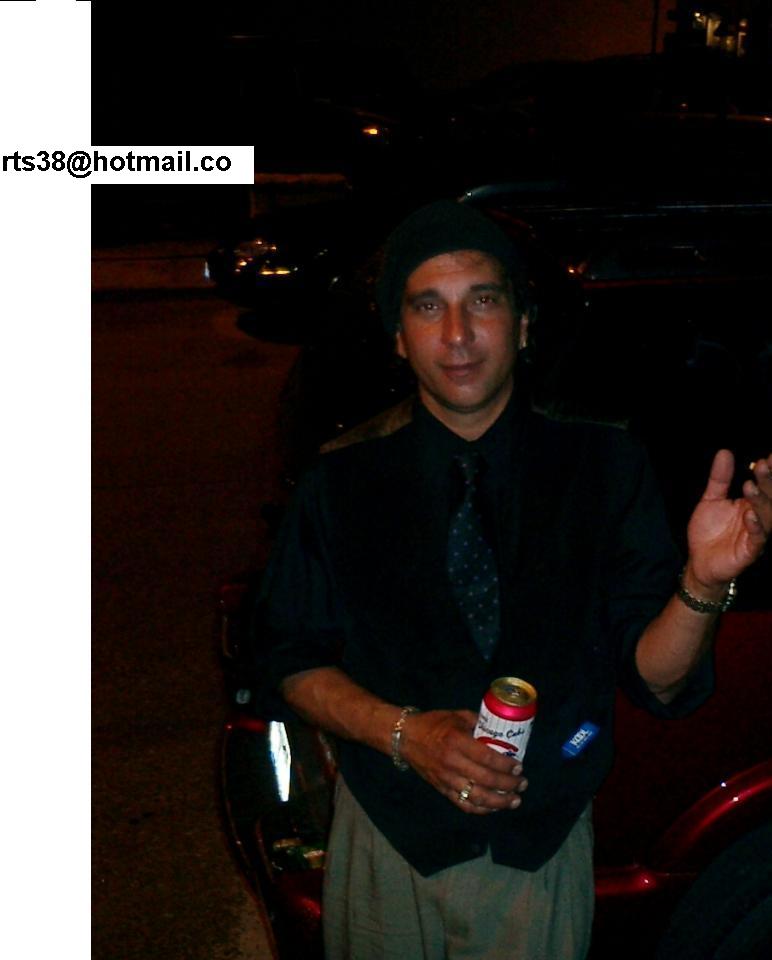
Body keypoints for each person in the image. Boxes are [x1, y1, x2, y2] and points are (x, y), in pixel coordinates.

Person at [252, 199, 771, 960]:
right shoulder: (342, 481)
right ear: (399, 337)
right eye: (429, 307)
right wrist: (408, 735)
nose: (458, 334)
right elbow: (289, 659)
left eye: (483, 301)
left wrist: (702, 580)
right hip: (389, 839)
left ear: (523, 325)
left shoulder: (604, 466)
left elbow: (656, 676)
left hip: (539, 851)